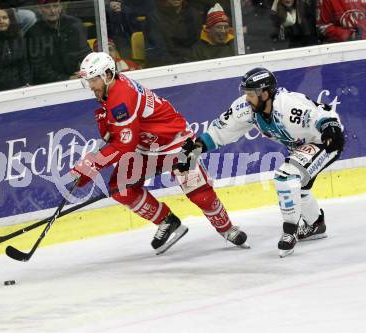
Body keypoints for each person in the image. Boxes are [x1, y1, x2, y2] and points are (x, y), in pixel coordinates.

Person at [71, 52, 249, 255]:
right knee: (120, 188)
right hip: (146, 148)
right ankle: (167, 221)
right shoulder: (109, 90)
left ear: (108, 74)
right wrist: (104, 123)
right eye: (88, 81)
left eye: (93, 80)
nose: (91, 86)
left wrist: (92, 164)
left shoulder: (121, 98)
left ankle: (227, 229)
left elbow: (123, 146)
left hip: (176, 144)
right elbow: (117, 135)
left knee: (199, 194)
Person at [176, 67, 345, 257]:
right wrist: (192, 153)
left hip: (324, 142)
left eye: (251, 93)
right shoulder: (246, 109)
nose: (247, 98)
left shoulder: (288, 105)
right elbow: (218, 133)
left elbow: (322, 117)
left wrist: (330, 130)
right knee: (299, 185)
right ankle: (315, 225)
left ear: (265, 93)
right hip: (301, 147)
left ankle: (290, 232)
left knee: (286, 176)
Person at [25, 0, 91, 85]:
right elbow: (39, 67)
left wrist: (86, 70)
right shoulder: (33, 33)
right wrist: (66, 78)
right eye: (47, 7)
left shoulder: (74, 24)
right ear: (40, 9)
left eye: (55, 6)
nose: (52, 11)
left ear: (60, 7)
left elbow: (85, 52)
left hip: (77, 78)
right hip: (50, 85)